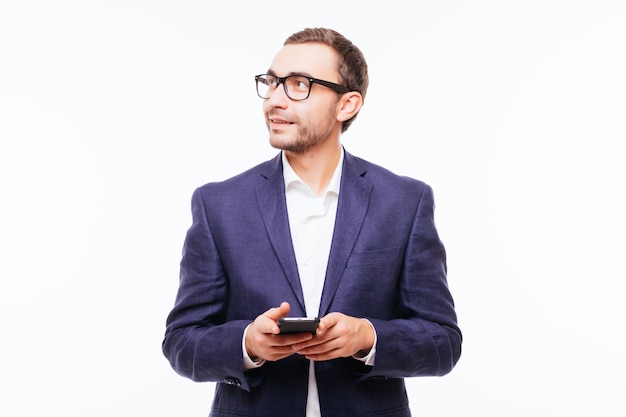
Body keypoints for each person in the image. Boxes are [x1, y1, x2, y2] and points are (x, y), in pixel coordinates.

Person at [162, 27, 462, 417]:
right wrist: (247, 345)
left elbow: (443, 342)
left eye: (298, 85)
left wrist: (368, 337)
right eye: (271, 83)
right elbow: (182, 342)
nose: (274, 100)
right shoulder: (219, 204)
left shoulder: (404, 202)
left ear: (347, 104)